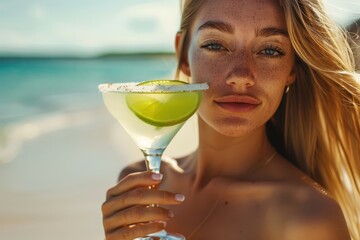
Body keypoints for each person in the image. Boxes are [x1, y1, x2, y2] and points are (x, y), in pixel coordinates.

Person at [101, 0, 360, 239]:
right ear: (183, 55)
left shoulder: (309, 216)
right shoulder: (141, 186)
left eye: (270, 50)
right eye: (215, 45)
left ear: (292, 68)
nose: (240, 75)